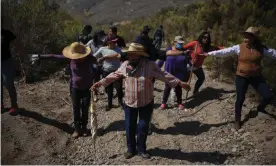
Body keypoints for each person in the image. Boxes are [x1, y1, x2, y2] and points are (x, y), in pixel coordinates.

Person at [91, 43, 191, 159]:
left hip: (146, 102)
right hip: (129, 102)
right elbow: (115, 75)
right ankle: (130, 149)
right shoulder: (125, 65)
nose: (130, 56)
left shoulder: (150, 66)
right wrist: (100, 83)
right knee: (129, 127)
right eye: (129, 54)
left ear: (139, 55)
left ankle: (141, 150)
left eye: (133, 54)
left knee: (143, 127)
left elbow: (164, 75)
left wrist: (179, 83)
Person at [201, 27, 276, 130]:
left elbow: (273, 53)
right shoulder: (239, 47)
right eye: (245, 36)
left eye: (248, 37)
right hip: (241, 76)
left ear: (254, 38)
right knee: (240, 98)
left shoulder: (261, 48)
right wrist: (209, 54)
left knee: (268, 95)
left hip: (256, 77)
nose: (245, 39)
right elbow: (225, 52)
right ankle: (237, 120)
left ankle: (260, 108)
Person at [33, 43, 97, 138]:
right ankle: (77, 129)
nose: (77, 58)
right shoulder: (70, 59)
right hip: (75, 88)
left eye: (79, 56)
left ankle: (84, 128)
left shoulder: (89, 59)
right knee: (76, 108)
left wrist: (95, 85)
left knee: (84, 108)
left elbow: (96, 67)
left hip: (87, 88)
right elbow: (54, 56)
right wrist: (39, 56)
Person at [176, 31, 220, 95]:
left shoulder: (208, 47)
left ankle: (195, 91)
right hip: (190, 65)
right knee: (184, 81)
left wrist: (228, 49)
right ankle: (174, 94)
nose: (206, 39)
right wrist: (187, 57)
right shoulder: (195, 43)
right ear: (201, 37)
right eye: (204, 37)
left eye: (207, 38)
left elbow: (217, 48)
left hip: (198, 67)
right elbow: (182, 48)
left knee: (201, 78)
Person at [160, 36, 191, 110]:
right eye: (179, 43)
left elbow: (188, 61)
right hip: (169, 72)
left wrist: (191, 63)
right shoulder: (168, 49)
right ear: (174, 42)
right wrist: (157, 67)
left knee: (178, 88)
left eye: (182, 43)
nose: (181, 45)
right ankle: (163, 103)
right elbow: (162, 59)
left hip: (179, 72)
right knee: (167, 87)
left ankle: (179, 103)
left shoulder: (185, 51)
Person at [93, 35, 123, 111]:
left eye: (115, 41)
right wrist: (96, 60)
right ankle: (109, 104)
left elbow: (118, 56)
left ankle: (120, 103)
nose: (115, 42)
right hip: (106, 71)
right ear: (108, 42)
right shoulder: (102, 49)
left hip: (117, 71)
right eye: (113, 41)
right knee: (109, 89)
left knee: (119, 88)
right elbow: (94, 56)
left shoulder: (119, 49)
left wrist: (104, 57)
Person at [1, 28, 21, 115]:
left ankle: (14, 105)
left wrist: (23, 56)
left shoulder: (7, 33)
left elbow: (17, 45)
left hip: (6, 62)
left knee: (8, 83)